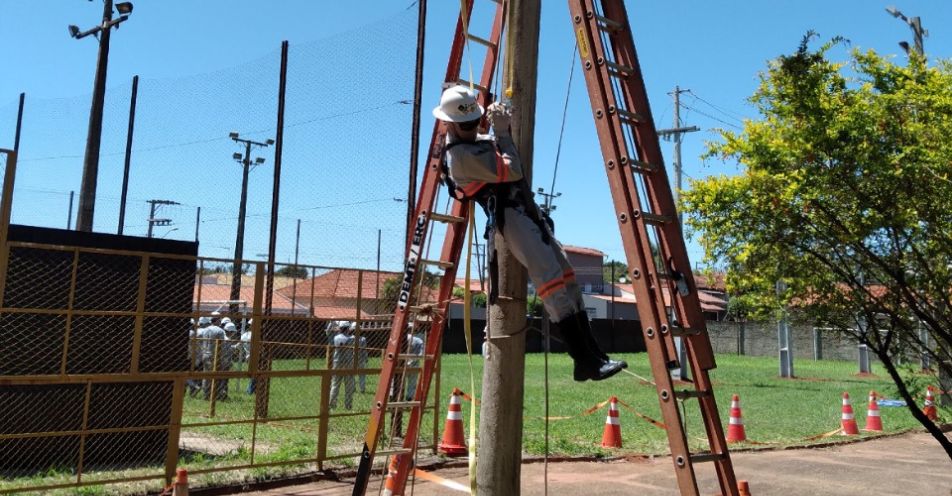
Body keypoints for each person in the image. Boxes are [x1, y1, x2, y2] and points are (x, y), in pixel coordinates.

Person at [432, 85, 627, 382]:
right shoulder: (459, 156)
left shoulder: (468, 140)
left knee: (567, 279)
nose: (473, 129)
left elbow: (493, 147)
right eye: (467, 124)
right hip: (511, 217)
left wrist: (497, 123)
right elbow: (513, 170)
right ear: (451, 124)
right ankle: (584, 359)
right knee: (550, 282)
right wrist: (503, 132)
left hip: (525, 212)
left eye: (475, 122)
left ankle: (592, 356)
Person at [328, 321, 356, 409]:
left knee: (335, 385)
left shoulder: (336, 338)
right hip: (348, 363)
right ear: (348, 328)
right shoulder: (352, 338)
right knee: (348, 386)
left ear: (340, 328)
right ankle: (348, 405)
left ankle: (332, 404)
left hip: (337, 362)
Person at [200, 317, 227, 400]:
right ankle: (215, 395)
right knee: (216, 375)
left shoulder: (204, 330)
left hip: (205, 353)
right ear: (217, 321)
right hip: (215, 355)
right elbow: (223, 343)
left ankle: (206, 394)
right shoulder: (220, 330)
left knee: (206, 375)